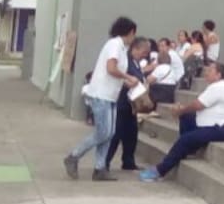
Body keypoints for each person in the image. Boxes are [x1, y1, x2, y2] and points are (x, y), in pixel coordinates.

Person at [64, 17, 140, 182]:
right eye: (134, 34)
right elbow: (111, 68)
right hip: (101, 94)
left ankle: (100, 168)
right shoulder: (114, 44)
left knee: (109, 133)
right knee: (103, 132)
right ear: (130, 32)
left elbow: (114, 73)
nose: (134, 37)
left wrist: (127, 82)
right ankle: (74, 156)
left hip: (110, 95)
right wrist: (128, 77)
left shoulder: (122, 48)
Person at [140, 62, 224, 182]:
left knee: (185, 139)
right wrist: (182, 111)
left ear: (218, 75)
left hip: (220, 129)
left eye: (210, 71)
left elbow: (198, 105)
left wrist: (180, 110)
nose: (206, 73)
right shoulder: (215, 86)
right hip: (210, 125)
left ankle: (160, 171)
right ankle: (188, 149)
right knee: (187, 116)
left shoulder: (218, 87)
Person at [105, 37, 151, 172]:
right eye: (143, 52)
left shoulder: (136, 64)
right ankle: (105, 162)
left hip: (132, 104)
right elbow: (119, 77)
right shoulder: (126, 62)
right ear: (135, 49)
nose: (145, 55)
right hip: (122, 102)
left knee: (131, 133)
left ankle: (128, 161)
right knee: (116, 134)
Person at [148, 38, 184, 103]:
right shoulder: (166, 54)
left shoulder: (170, 54)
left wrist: (141, 70)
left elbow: (153, 66)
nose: (160, 48)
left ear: (168, 47)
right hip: (171, 82)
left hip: (176, 82)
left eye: (162, 46)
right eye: (159, 46)